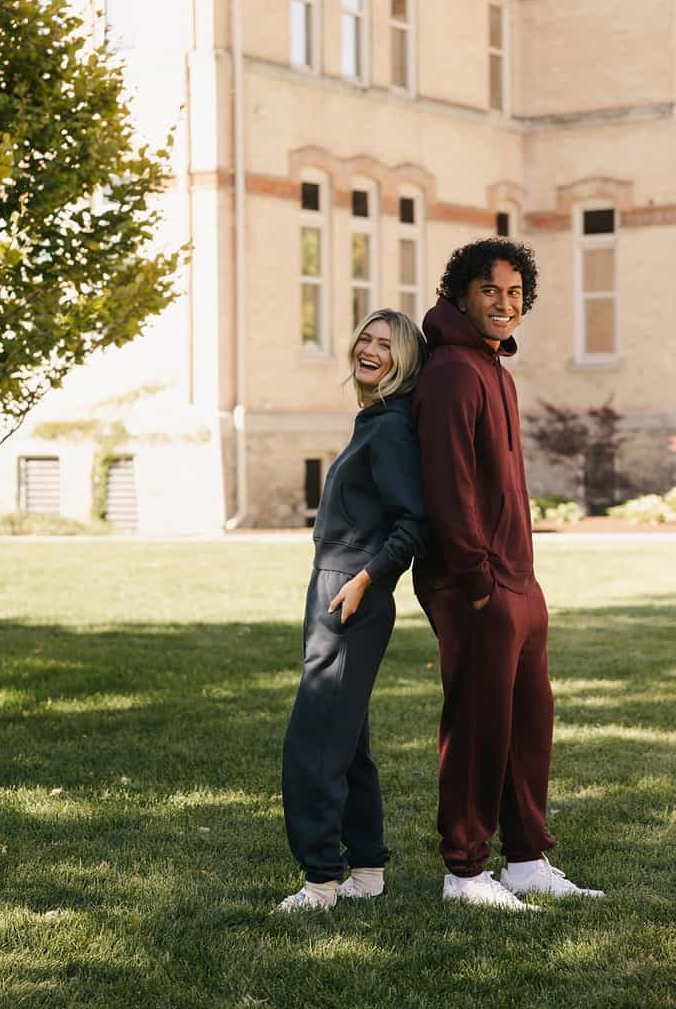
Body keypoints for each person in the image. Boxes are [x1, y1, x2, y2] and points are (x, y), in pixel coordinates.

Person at [412, 238, 604, 910]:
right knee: (478, 727)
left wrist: (518, 578)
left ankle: (524, 860)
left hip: (517, 578)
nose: (505, 303)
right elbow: (449, 484)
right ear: (461, 295)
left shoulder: (494, 369)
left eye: (516, 292)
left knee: (528, 724)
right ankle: (465, 873)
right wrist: (476, 579)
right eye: (491, 290)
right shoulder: (451, 372)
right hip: (474, 582)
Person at [278, 308, 427, 912]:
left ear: (405, 360)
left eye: (386, 344)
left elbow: (414, 523)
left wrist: (366, 580)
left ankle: (320, 881)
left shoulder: (390, 428)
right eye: (366, 338)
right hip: (334, 584)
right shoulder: (374, 421)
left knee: (313, 741)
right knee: (347, 740)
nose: (370, 349)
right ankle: (366, 870)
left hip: (351, 592)